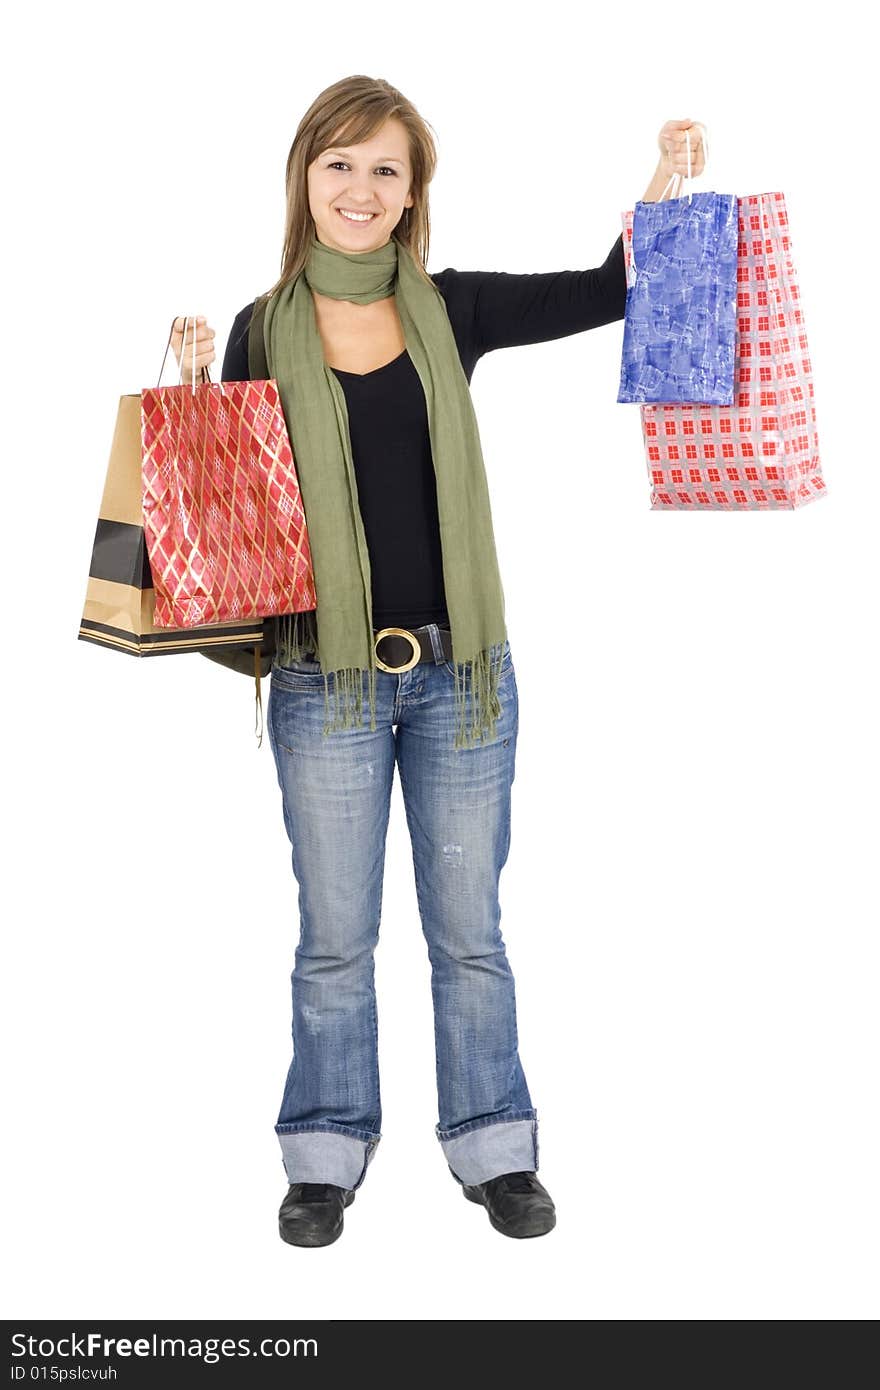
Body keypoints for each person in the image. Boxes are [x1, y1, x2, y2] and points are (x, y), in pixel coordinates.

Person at [172, 76, 706, 1246]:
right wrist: (185, 395)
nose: (359, 189)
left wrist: (666, 175)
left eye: (385, 170)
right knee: (335, 936)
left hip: (462, 677)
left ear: (412, 195)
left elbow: (614, 288)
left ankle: (492, 1151)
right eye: (340, 164)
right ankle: (323, 1153)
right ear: (304, 177)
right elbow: (240, 516)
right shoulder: (260, 327)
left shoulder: (451, 309)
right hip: (325, 684)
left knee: (470, 931)